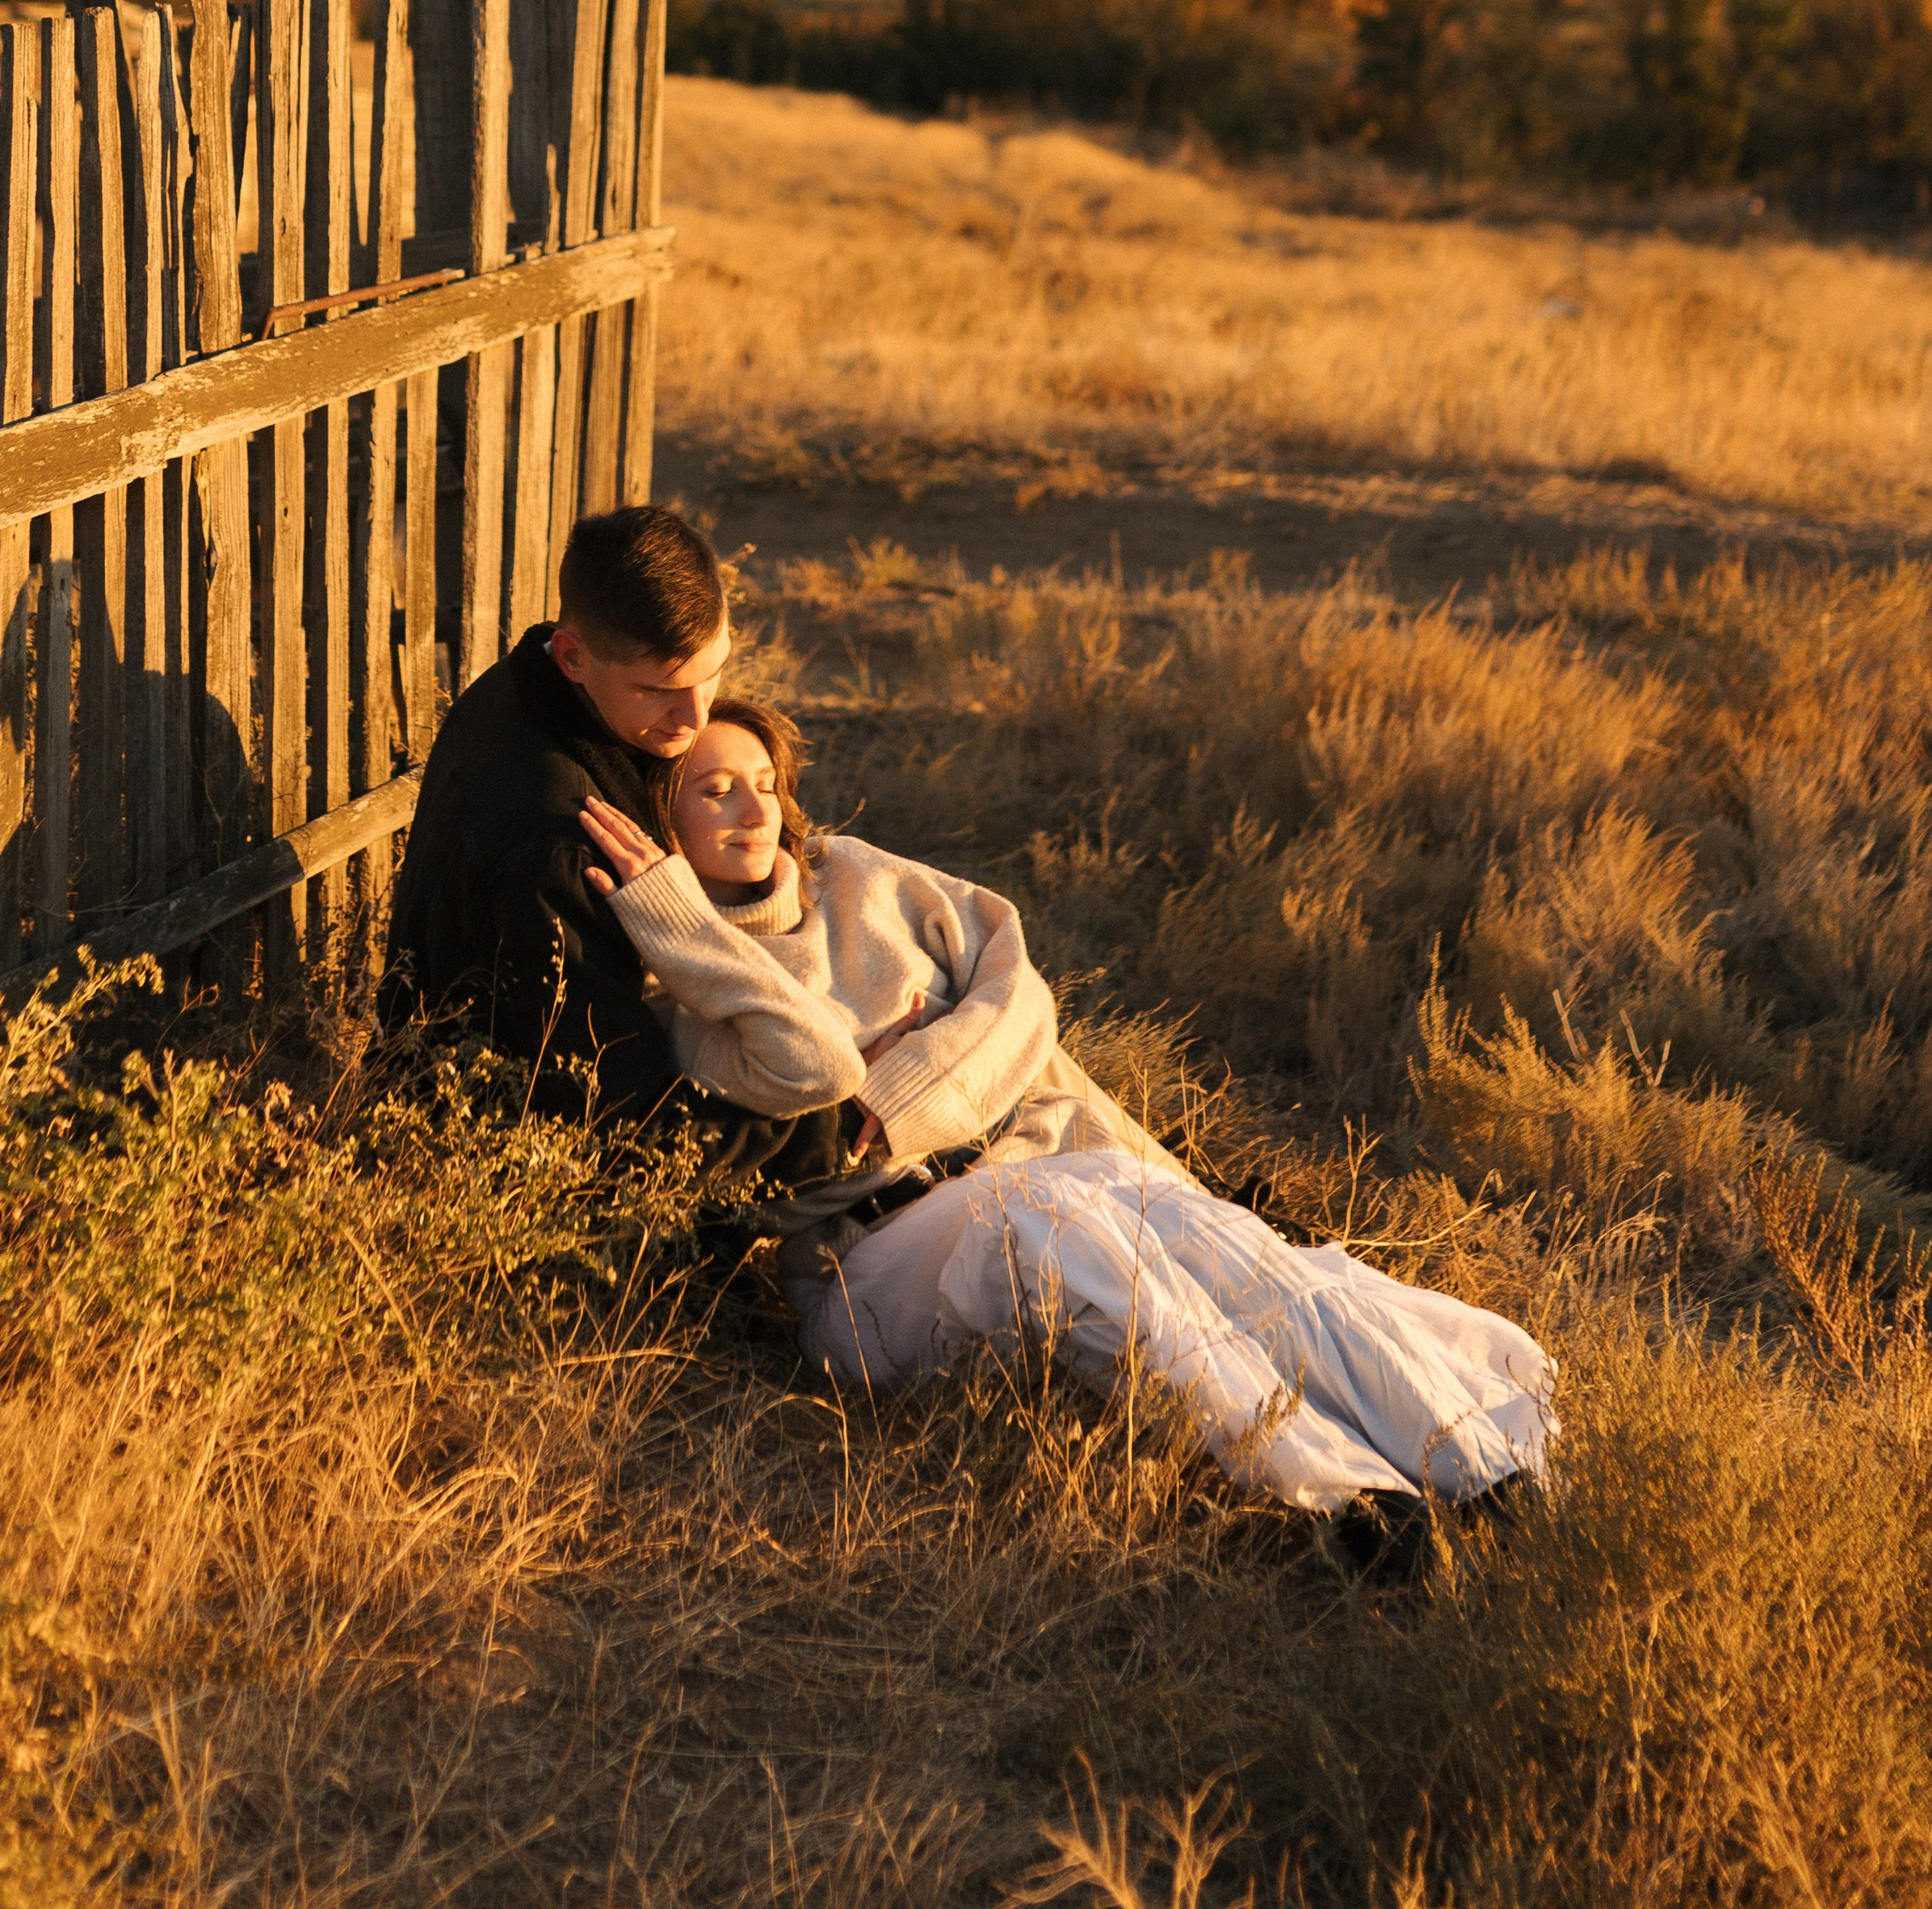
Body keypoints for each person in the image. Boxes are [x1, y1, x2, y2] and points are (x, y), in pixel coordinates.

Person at [577, 696, 1555, 1520]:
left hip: (1033, 1175)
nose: (755, 809)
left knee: (1234, 1256)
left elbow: (1018, 995)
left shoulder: (857, 877)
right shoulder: (687, 994)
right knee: (1060, 1221)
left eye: (763, 781)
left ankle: (1474, 1469)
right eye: (715, 791)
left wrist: (913, 1077)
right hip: (868, 1276)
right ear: (665, 828)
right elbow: (813, 1060)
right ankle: (1348, 1504)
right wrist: (690, 930)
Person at [384, 508, 856, 1191]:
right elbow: (615, 1113)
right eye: (660, 691)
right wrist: (823, 1130)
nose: (697, 717)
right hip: (507, 1163)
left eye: (713, 674)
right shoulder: (561, 839)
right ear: (574, 656)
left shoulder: (531, 678)